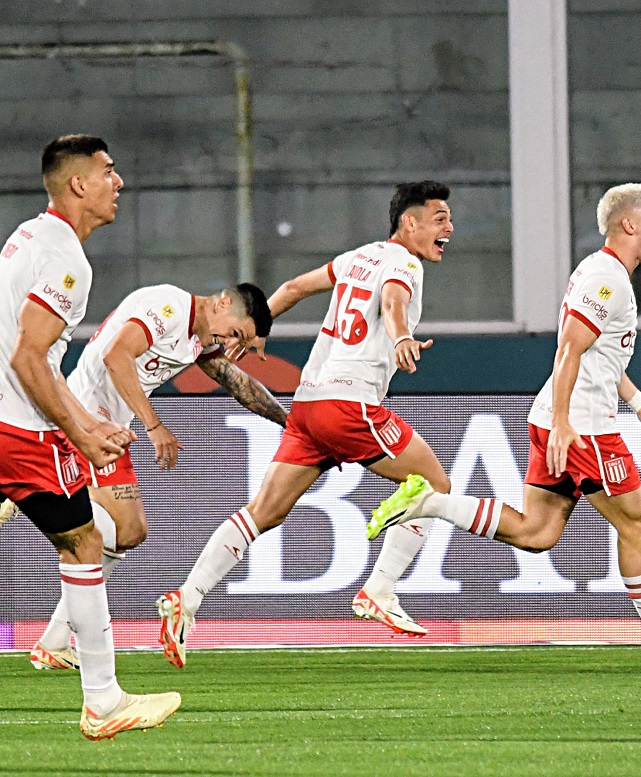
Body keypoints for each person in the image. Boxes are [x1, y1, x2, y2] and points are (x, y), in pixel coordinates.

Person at [366, 183, 641, 668]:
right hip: (582, 427)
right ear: (630, 224)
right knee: (638, 522)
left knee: (537, 533)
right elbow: (569, 351)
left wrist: (638, 401)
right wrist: (564, 424)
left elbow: (598, 354)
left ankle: (431, 502)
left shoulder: (603, 272)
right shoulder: (610, 281)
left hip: (561, 418)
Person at [155, 180, 457, 668]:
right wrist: (401, 336)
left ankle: (186, 598)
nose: (449, 226)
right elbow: (394, 302)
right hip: (349, 404)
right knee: (434, 484)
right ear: (409, 222)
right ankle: (379, 590)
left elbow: (294, 288)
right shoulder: (405, 263)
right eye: (439, 217)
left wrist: (254, 328)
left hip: (309, 405)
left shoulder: (358, 257)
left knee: (264, 512)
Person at [0, 134, 179, 739]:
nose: (118, 182)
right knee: (84, 544)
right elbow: (28, 359)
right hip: (19, 431)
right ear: (78, 184)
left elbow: (31, 356)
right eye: (108, 171)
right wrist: (78, 428)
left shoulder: (30, 235)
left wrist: (84, 416)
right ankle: (103, 702)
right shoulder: (68, 259)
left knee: (93, 535)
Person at [15, 282, 286, 672]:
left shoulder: (199, 336)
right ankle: (32, 497)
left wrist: (290, 423)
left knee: (127, 531)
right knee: (113, 529)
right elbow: (116, 355)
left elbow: (235, 381)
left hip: (109, 427)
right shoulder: (169, 308)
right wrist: (155, 426)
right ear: (223, 303)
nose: (230, 343)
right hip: (85, 420)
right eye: (236, 332)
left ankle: (54, 638)